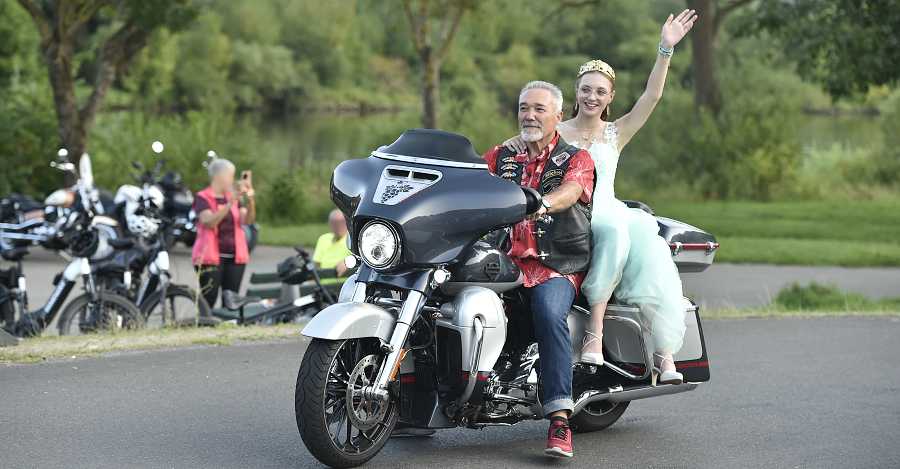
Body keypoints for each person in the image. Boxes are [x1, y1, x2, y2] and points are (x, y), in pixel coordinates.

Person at [503, 9, 699, 386]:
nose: (592, 96)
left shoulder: (616, 132)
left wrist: (665, 49)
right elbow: (509, 146)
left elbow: (653, 96)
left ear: (610, 98)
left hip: (608, 211)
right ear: (575, 93)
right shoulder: (553, 128)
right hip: (566, 215)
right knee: (615, 230)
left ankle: (664, 355)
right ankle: (593, 327)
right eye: (586, 89)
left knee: (647, 246)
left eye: (600, 91)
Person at [483, 81, 595, 458]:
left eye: (539, 109)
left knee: (548, 312)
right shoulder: (502, 156)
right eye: (524, 108)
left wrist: (542, 204)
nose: (529, 115)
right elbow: (468, 181)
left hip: (556, 262)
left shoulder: (575, 158)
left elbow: (572, 192)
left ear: (558, 118)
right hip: (504, 262)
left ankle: (560, 420)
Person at [191, 158, 256, 308]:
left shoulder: (232, 197)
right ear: (218, 176)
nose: (233, 180)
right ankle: (204, 328)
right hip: (209, 258)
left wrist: (251, 199)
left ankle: (228, 328)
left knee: (231, 302)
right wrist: (229, 204)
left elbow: (248, 221)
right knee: (209, 300)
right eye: (230, 176)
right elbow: (209, 222)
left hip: (235, 257)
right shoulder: (203, 197)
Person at [312, 209, 351, 277]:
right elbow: (316, 265)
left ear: (347, 222)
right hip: (323, 284)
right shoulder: (323, 239)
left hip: (344, 284)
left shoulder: (352, 239)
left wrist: (348, 262)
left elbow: (361, 259)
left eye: (341, 222)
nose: (338, 226)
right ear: (330, 224)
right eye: (335, 223)